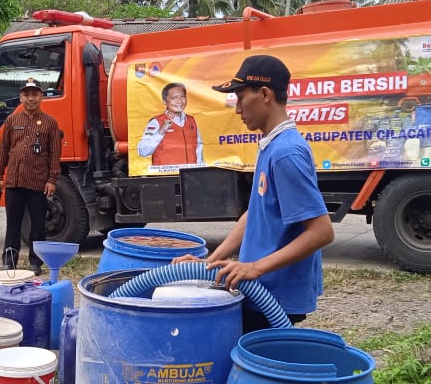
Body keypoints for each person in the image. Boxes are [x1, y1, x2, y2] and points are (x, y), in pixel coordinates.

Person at [175, 55, 334, 333]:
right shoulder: (271, 145)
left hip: (274, 295)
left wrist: (255, 268)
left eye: (240, 97)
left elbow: (321, 231)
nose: (237, 109)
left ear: (264, 94)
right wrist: (208, 263)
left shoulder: (286, 152)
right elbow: (254, 214)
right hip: (260, 288)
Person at [0, 77, 62, 275]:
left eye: (34, 94)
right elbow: (3, 150)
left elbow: (54, 154)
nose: (30, 99)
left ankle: (36, 262)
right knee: (12, 223)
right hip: (14, 181)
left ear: (41, 97)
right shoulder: (12, 121)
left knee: (38, 225)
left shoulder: (50, 123)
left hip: (38, 182)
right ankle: (9, 260)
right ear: (20, 97)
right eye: (26, 95)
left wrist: (52, 180)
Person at [137, 82, 204, 166]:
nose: (179, 101)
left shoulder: (192, 121)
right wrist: (160, 132)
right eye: (174, 98)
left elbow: (198, 149)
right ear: (165, 102)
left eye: (182, 96)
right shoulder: (156, 122)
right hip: (165, 176)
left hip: (189, 175)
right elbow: (142, 151)